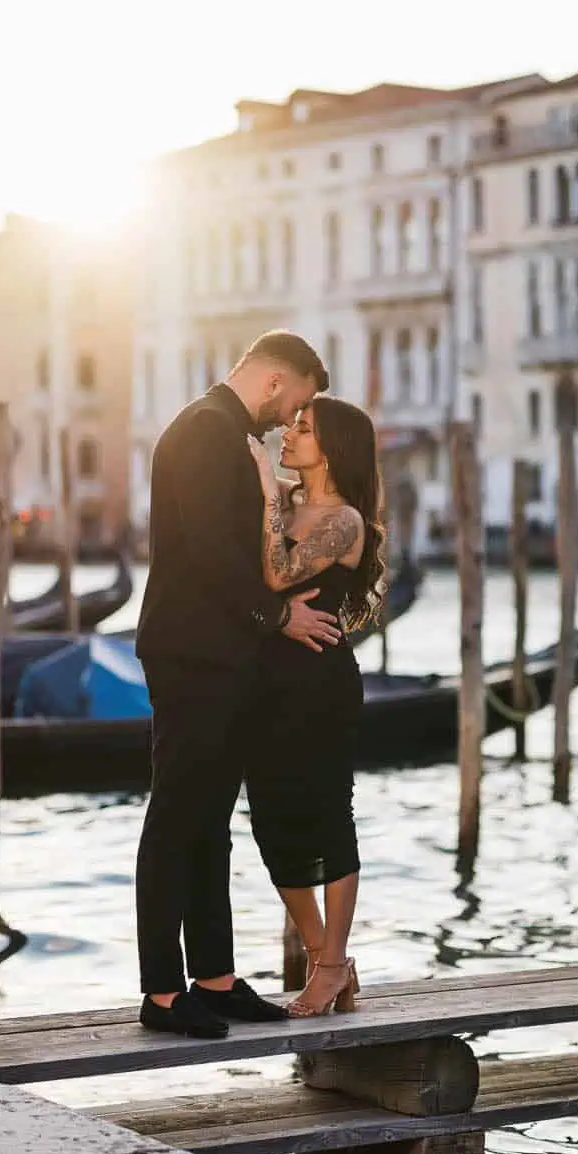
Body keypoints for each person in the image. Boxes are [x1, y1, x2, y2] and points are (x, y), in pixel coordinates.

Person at [133, 331, 341, 1038]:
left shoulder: (225, 436)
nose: (292, 420)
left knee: (210, 824)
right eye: (299, 403)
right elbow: (209, 553)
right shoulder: (204, 432)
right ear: (277, 380)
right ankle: (161, 991)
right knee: (175, 819)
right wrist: (279, 615)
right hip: (190, 653)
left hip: (221, 655)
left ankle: (213, 978)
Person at [243, 396, 386, 1018]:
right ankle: (326, 955)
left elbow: (277, 574)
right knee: (270, 820)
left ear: (333, 447)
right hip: (266, 684)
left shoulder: (346, 521)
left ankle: (328, 965)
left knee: (327, 816)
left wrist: (269, 493)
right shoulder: (285, 503)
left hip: (320, 686)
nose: (289, 433)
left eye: (304, 428)